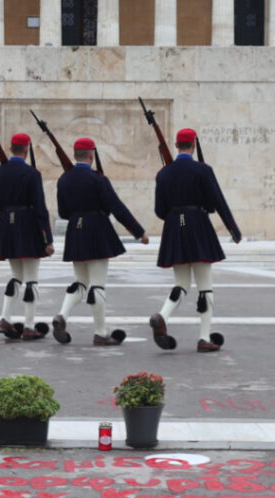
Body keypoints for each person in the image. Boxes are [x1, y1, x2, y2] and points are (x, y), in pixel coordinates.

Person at [150, 128, 242, 353]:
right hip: (197, 225)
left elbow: (160, 210)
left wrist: (177, 217)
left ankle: (162, 315)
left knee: (181, 284)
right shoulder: (202, 170)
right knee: (205, 286)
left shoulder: (163, 174)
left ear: (176, 145)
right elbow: (217, 201)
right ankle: (203, 337)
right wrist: (233, 228)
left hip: (175, 226)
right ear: (193, 145)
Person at [52, 137, 149, 346]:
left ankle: (62, 315)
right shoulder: (98, 179)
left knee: (80, 281)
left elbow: (63, 212)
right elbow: (116, 207)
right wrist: (138, 231)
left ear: (74, 155)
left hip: (75, 230)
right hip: (96, 228)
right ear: (91, 155)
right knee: (97, 284)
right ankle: (101, 332)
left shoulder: (63, 179)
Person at [0, 133, 55, 341]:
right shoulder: (32, 174)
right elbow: (40, 208)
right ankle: (29, 326)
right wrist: (47, 238)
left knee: (16, 276)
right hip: (28, 225)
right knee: (31, 279)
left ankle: (5, 318)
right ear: (26, 150)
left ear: (10, 149)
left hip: (6, 225)